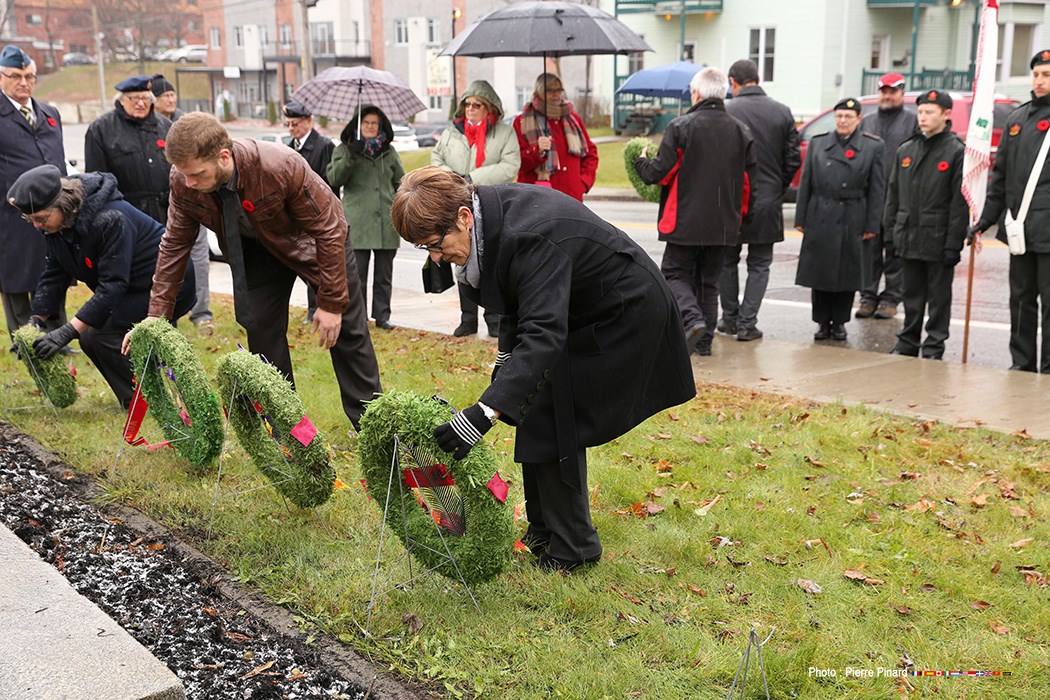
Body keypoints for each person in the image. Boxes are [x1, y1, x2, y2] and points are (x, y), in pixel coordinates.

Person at [390, 167, 696, 572]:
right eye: (423, 248)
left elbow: (543, 332)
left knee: (554, 408)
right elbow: (519, 301)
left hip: (625, 312)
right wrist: (505, 365)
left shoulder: (528, 235)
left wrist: (482, 414)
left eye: (434, 244)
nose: (435, 257)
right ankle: (543, 530)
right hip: (579, 311)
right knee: (532, 398)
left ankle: (574, 548)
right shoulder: (488, 221)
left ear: (464, 217)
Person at [130, 112, 381, 430]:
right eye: (182, 173)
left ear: (223, 156)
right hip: (255, 251)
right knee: (260, 329)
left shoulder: (279, 165)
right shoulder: (183, 180)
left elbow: (330, 229)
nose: (188, 182)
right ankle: (288, 430)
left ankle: (373, 429)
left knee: (346, 330)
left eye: (196, 174)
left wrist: (331, 303)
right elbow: (174, 245)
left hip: (314, 245)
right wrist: (157, 315)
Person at [7, 164, 195, 408]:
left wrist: (67, 331)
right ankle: (137, 398)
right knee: (91, 335)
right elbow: (55, 273)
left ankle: (149, 400)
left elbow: (112, 286)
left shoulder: (109, 218)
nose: (37, 226)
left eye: (41, 219)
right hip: (129, 288)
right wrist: (37, 319)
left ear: (63, 204)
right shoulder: (57, 224)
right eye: (31, 220)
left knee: (97, 336)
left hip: (167, 288)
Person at [633, 67, 755, 357]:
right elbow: (749, 184)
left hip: (685, 221)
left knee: (674, 274)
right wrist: (739, 220)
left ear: (697, 93)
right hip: (724, 223)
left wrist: (641, 162)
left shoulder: (681, 127)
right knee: (709, 284)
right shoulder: (741, 130)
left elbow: (659, 173)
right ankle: (704, 342)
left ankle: (692, 320)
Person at [971, 50, 1050, 373]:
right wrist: (984, 221)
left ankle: (1048, 368)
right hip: (1021, 228)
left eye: (1046, 74)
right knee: (1020, 300)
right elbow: (1000, 178)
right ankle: (1022, 362)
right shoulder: (1017, 120)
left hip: (1049, 231)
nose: (1040, 81)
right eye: (1036, 75)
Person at [719, 58, 801, 342]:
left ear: (733, 82)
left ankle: (729, 318)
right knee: (760, 263)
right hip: (767, 196)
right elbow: (793, 159)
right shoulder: (782, 112)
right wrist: (776, 187)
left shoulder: (727, 111)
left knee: (727, 261)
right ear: (757, 79)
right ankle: (747, 322)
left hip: (731, 199)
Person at [432, 80, 520, 338]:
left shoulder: (504, 133)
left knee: (489, 260)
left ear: (488, 107)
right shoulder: (452, 131)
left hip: (490, 202)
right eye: (467, 104)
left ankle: (493, 319)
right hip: (457, 202)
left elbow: (510, 165)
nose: (470, 109)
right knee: (460, 258)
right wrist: (453, 178)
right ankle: (467, 318)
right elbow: (436, 159)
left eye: (476, 105)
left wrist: (472, 177)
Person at [882, 90, 966, 360]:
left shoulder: (955, 151)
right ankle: (908, 341)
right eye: (920, 112)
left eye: (930, 112)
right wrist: (890, 231)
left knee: (939, 298)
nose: (923, 117)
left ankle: (934, 345)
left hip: (938, 236)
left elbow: (958, 203)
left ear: (946, 114)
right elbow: (893, 195)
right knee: (912, 293)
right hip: (908, 233)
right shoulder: (906, 150)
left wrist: (954, 243)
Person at [795, 98, 885, 342]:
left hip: (853, 213)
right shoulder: (818, 143)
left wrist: (871, 224)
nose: (843, 121)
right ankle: (822, 322)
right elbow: (806, 183)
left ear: (858, 119)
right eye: (839, 117)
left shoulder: (872, 147)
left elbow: (877, 190)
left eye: (848, 117)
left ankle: (840, 323)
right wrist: (801, 217)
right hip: (820, 212)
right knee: (820, 273)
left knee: (847, 275)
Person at [0, 45, 69, 348]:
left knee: (54, 272)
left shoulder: (49, 112)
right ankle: (24, 340)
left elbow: (59, 159)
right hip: (10, 216)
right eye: (15, 76)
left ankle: (57, 335)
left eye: (29, 76)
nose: (23, 83)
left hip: (52, 211)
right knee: (16, 280)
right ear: (2, 77)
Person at [327, 105, 404, 331]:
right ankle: (358, 317)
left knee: (384, 276)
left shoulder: (389, 152)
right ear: (358, 125)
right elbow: (334, 178)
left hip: (385, 224)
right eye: (366, 122)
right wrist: (351, 153)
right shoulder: (344, 149)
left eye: (374, 124)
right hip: (358, 223)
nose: (370, 127)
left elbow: (401, 182)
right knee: (356, 276)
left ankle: (382, 316)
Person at [152, 72, 214, 336]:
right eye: (164, 95)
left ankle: (201, 312)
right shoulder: (149, 125)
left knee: (199, 256)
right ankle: (166, 315)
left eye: (172, 94)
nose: (170, 98)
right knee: (169, 256)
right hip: (160, 205)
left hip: (193, 201)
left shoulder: (185, 123)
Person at [856, 72, 919, 320]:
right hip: (870, 196)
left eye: (892, 91)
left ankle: (891, 299)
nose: (887, 96)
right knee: (868, 250)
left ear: (902, 93)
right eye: (884, 91)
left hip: (900, 196)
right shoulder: (868, 122)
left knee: (895, 250)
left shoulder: (912, 122)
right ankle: (868, 296)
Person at [84, 75, 173, 225]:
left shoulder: (166, 127)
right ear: (121, 100)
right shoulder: (101, 129)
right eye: (134, 98)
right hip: (126, 218)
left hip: (166, 216)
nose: (140, 103)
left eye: (145, 98)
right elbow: (96, 181)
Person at [284, 100, 337, 324]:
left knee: (320, 263)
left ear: (308, 121)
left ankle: (318, 307)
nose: (291, 128)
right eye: (287, 124)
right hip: (296, 216)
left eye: (295, 124)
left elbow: (329, 183)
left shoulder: (324, 145)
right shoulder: (289, 146)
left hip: (318, 214)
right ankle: (311, 308)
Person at [513, 73, 598, 201]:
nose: (556, 94)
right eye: (550, 90)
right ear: (539, 92)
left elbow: (590, 153)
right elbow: (516, 162)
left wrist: (583, 182)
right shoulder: (523, 122)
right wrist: (537, 150)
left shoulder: (573, 119)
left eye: (559, 90)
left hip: (571, 197)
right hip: (537, 199)